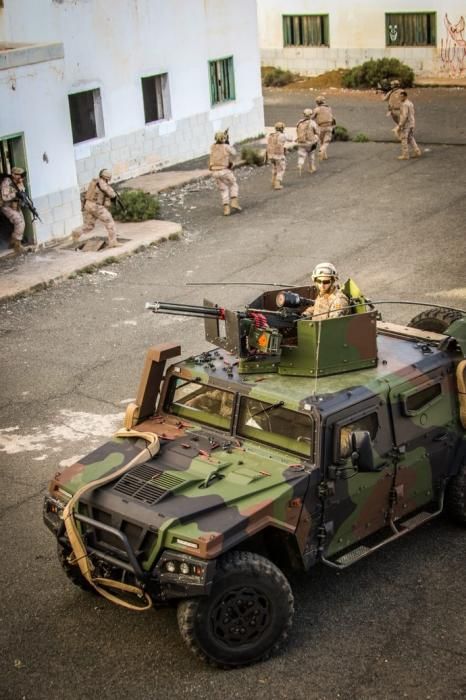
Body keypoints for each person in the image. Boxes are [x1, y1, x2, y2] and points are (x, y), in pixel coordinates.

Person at [72, 169, 121, 247]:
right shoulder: (103, 184)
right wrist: (114, 194)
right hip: (96, 206)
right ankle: (113, 242)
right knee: (109, 222)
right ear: (107, 177)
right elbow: (111, 194)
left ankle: (76, 233)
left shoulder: (94, 181)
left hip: (88, 205)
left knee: (89, 225)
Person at [208, 131, 241, 216]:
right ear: (224, 138)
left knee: (223, 189)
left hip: (215, 172)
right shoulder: (226, 146)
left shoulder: (212, 147)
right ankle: (234, 201)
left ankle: (226, 209)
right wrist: (228, 143)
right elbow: (234, 152)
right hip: (224, 171)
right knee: (234, 184)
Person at [0, 166, 28, 254]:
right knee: (19, 222)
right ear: (13, 175)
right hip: (6, 206)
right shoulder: (6, 182)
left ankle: (13, 242)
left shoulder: (19, 182)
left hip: (15, 205)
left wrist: (20, 188)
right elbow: (4, 197)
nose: (21, 178)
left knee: (22, 223)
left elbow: (22, 192)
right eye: (19, 175)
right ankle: (17, 244)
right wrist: (15, 194)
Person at [397, 91, 422, 160]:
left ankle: (405, 154)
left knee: (404, 138)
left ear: (405, 96)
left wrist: (400, 125)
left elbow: (404, 116)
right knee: (410, 137)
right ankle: (417, 151)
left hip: (406, 124)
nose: (400, 98)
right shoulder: (410, 103)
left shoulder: (405, 104)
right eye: (400, 96)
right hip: (411, 123)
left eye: (401, 96)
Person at [266, 121, 290, 190]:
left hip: (270, 155)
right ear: (282, 128)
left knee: (274, 168)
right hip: (278, 156)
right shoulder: (282, 135)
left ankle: (273, 181)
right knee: (281, 169)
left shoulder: (271, 135)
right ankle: (277, 183)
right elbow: (290, 139)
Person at [296, 109, 320, 175]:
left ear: (303, 114)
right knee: (311, 155)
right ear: (311, 115)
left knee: (301, 155)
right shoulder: (313, 123)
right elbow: (317, 132)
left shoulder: (299, 122)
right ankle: (311, 168)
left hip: (301, 142)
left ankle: (300, 164)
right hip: (310, 142)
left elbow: (297, 130)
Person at [311, 96, 335, 161]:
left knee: (321, 141)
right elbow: (332, 118)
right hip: (329, 126)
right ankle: (323, 152)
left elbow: (312, 117)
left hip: (320, 127)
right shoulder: (329, 108)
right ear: (324, 101)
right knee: (326, 141)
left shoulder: (316, 109)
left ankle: (323, 154)